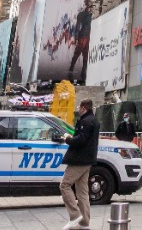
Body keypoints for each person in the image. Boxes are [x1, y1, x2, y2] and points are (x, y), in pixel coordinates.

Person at [59, 98, 98, 230]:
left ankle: (75, 215)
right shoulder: (93, 120)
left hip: (79, 159)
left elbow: (81, 140)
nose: (78, 110)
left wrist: (68, 139)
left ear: (83, 108)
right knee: (82, 191)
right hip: (87, 159)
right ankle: (85, 223)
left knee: (64, 185)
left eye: (79, 107)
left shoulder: (86, 121)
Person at [68, 0, 92, 83]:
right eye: (89, 3)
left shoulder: (92, 14)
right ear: (86, 4)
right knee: (77, 53)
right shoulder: (82, 15)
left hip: (89, 37)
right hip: (82, 36)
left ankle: (83, 73)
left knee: (86, 55)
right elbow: (78, 27)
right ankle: (71, 70)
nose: (91, 5)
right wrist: (76, 38)